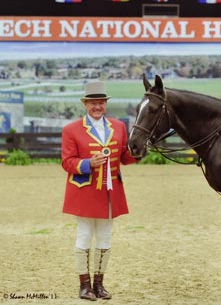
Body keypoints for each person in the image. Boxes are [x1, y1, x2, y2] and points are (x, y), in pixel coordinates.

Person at [61, 81, 139, 301]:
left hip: (110, 192)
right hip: (85, 192)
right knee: (84, 236)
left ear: (106, 104)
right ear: (85, 104)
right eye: (93, 102)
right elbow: (67, 162)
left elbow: (125, 157)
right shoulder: (71, 129)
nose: (97, 106)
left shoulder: (119, 127)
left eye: (101, 102)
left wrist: (139, 150)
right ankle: (84, 286)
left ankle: (99, 284)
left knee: (105, 238)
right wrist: (88, 164)